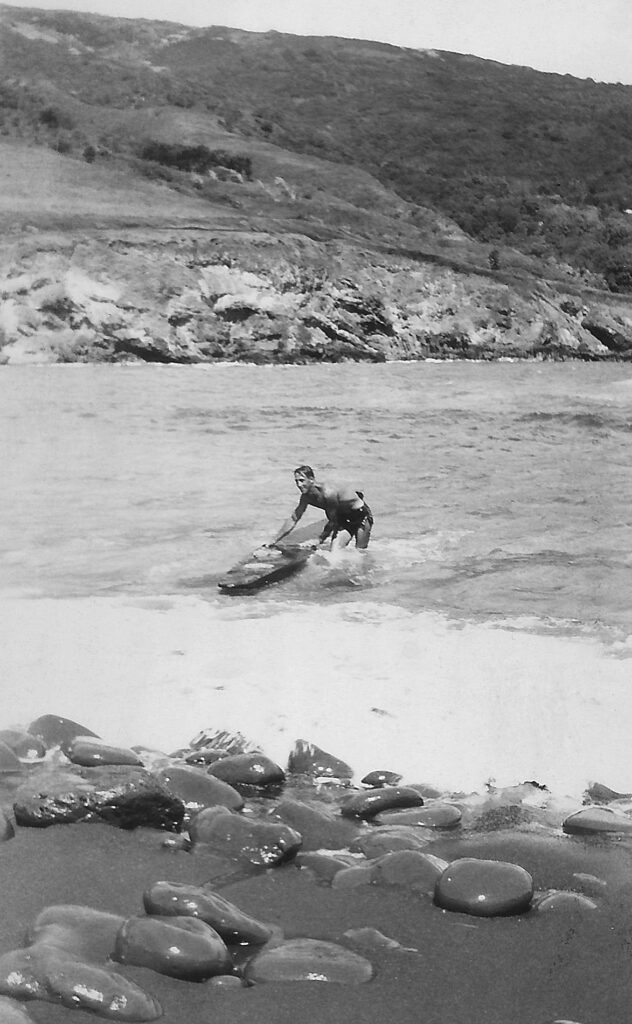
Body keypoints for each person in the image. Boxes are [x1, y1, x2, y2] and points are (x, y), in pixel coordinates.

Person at [271, 465, 373, 550]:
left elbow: (333, 520)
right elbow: (294, 518)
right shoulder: (306, 497)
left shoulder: (328, 493)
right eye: (296, 481)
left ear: (311, 480)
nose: (299, 485)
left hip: (360, 516)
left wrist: (319, 540)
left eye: (302, 480)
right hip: (343, 518)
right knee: (335, 554)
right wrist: (274, 540)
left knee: (360, 552)